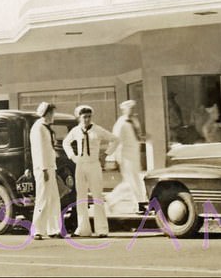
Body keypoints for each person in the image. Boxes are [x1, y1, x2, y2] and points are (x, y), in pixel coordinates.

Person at [64, 105, 118, 238]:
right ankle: (83, 229)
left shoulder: (97, 130)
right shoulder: (76, 131)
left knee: (97, 196)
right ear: (79, 117)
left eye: (89, 116)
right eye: (84, 117)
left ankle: (101, 229)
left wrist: (106, 154)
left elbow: (115, 139)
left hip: (94, 165)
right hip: (81, 165)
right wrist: (72, 156)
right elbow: (66, 143)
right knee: (81, 197)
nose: (87, 119)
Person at [29, 101, 61, 239]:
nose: (53, 115)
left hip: (50, 167)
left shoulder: (45, 127)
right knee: (42, 198)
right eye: (52, 112)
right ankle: (37, 230)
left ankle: (53, 229)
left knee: (53, 199)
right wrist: (43, 169)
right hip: (43, 168)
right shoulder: (38, 128)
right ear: (46, 114)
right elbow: (39, 150)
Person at [112, 99, 146, 209]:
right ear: (124, 110)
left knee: (133, 180)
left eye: (133, 108)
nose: (132, 110)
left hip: (135, 155)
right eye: (130, 108)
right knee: (131, 181)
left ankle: (112, 199)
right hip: (125, 156)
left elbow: (138, 136)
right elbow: (116, 140)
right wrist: (117, 158)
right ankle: (139, 204)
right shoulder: (121, 123)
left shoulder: (134, 121)